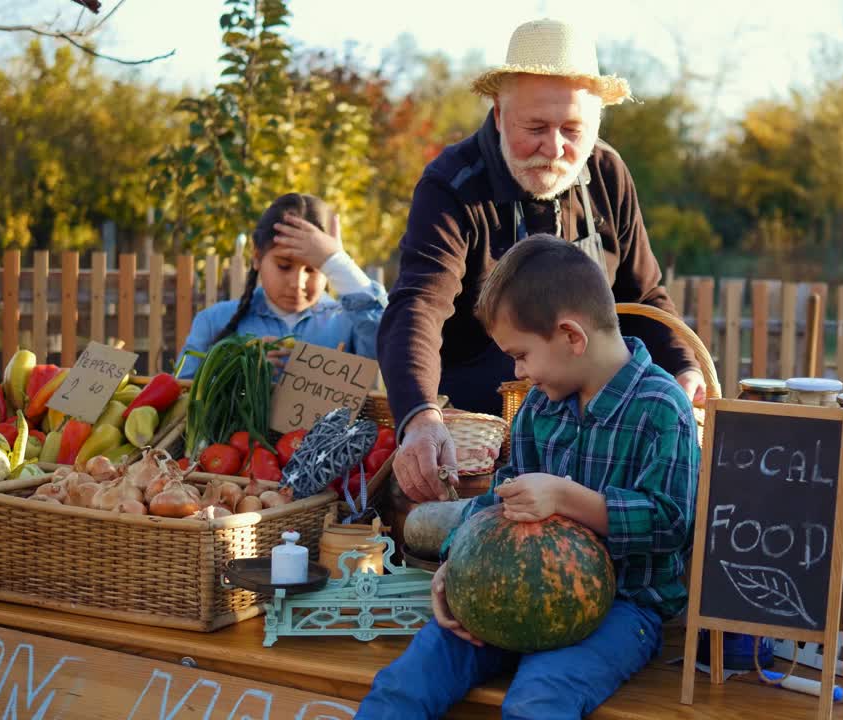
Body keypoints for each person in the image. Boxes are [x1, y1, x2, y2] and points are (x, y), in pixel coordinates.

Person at [356, 236, 700, 720]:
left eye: (521, 354)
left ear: (571, 336)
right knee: (406, 682)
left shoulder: (664, 409)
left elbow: (671, 523)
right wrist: (455, 563)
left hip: (621, 609)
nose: (518, 370)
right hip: (514, 586)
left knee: (539, 700)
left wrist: (564, 497)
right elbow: (498, 503)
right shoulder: (539, 407)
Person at [379, 18, 706, 504]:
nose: (554, 149)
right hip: (482, 443)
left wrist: (684, 368)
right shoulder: (452, 185)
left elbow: (642, 295)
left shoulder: (607, 173)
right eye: (535, 128)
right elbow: (419, 305)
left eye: (573, 130)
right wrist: (421, 417)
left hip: (600, 440)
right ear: (497, 113)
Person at [177, 193, 386, 378]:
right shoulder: (214, 321)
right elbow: (181, 397)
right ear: (257, 257)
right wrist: (238, 376)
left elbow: (392, 344)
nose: (297, 283)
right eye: (284, 266)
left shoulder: (349, 323)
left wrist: (338, 262)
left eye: (312, 269)